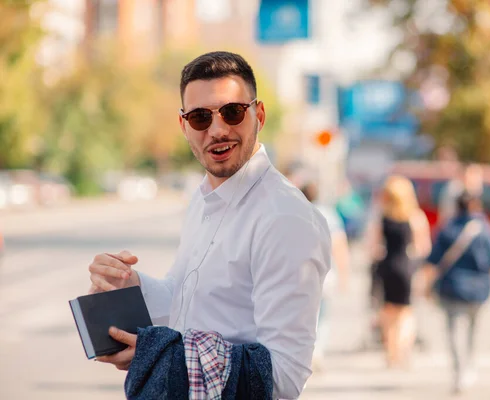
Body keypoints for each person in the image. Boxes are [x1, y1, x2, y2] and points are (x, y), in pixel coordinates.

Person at [86, 51, 332, 399]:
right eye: (201, 117)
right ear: (184, 125)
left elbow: (284, 377)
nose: (217, 130)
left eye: (232, 112)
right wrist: (130, 284)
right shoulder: (203, 199)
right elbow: (183, 299)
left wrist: (160, 355)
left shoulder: (285, 219)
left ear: (258, 114)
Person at [420, 192, 490, 394]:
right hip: (479, 290)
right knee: (472, 330)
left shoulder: (447, 229)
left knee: (452, 332)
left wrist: (424, 288)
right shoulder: (487, 231)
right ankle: (468, 365)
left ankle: (459, 369)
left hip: (451, 288)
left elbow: (432, 262)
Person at [288, 169, 351, 371]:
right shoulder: (329, 215)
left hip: (298, 273)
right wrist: (344, 274)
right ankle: (318, 351)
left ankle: (304, 351)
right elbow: (339, 245)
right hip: (325, 273)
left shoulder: (292, 212)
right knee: (322, 314)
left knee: (301, 314)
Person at [373, 175, 431, 367]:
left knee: (388, 311)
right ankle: (403, 350)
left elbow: (373, 247)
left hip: (387, 266)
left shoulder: (382, 217)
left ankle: (391, 353)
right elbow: (423, 247)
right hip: (406, 267)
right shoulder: (415, 217)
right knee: (406, 312)